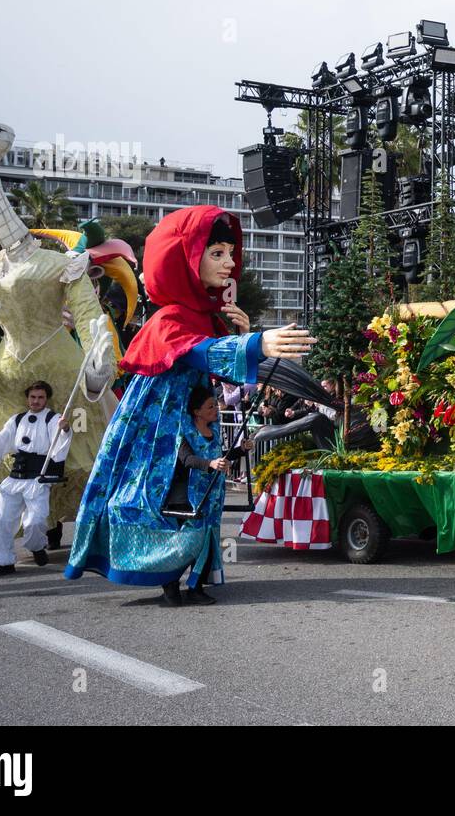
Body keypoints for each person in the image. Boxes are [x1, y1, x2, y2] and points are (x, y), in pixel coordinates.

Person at [65, 206, 312, 599]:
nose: (230, 263)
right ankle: (166, 576)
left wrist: (244, 336)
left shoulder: (206, 315)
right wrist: (254, 342)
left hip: (199, 421)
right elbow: (200, 353)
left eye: (230, 253)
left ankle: (194, 577)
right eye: (216, 253)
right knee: (161, 492)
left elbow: (222, 365)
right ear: (183, 259)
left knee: (205, 491)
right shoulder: (169, 319)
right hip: (162, 428)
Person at [159, 385, 253, 605]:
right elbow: (187, 460)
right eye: (210, 406)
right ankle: (170, 585)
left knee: (206, 545)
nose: (216, 410)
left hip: (211, 497)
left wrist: (241, 449)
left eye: (214, 406)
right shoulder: (184, 433)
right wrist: (210, 464)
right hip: (187, 499)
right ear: (196, 411)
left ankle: (196, 587)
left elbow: (221, 456)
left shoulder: (215, 431)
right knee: (185, 545)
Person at [0, 381, 72, 577]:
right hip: (15, 478)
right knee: (3, 522)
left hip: (38, 479)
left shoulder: (53, 418)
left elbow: (60, 444)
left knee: (35, 522)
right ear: (27, 398)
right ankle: (3, 562)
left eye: (40, 397)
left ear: (46, 399)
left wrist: (64, 429)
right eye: (33, 397)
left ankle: (37, 547)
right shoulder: (17, 419)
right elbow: (1, 442)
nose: (36, 401)